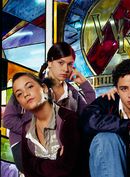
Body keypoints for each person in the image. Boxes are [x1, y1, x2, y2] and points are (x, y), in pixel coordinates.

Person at [3, 42, 95, 172]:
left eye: (70, 64)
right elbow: (8, 119)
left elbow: (88, 116)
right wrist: (32, 131)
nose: (66, 69)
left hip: (57, 144)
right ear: (50, 63)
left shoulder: (72, 93)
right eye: (61, 63)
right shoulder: (30, 86)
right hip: (25, 144)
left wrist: (85, 85)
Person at [11, 72, 81, 176]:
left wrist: (36, 164)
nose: (25, 94)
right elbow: (28, 170)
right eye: (19, 94)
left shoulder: (68, 119)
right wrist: (57, 160)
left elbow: (68, 168)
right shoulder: (26, 129)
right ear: (20, 103)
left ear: (44, 88)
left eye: (29, 86)